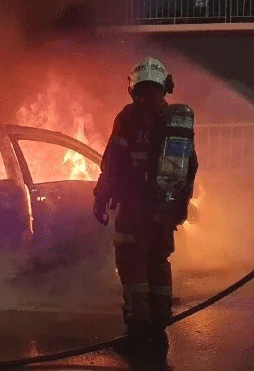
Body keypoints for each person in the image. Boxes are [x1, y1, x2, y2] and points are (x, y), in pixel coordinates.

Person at [93, 56, 199, 355]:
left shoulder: (128, 117)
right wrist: (179, 207)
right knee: (158, 263)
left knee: (133, 266)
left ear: (133, 86)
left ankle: (138, 334)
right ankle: (159, 329)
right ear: (165, 84)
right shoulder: (176, 119)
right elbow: (191, 166)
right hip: (165, 210)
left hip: (135, 209)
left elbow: (113, 163)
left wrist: (102, 198)